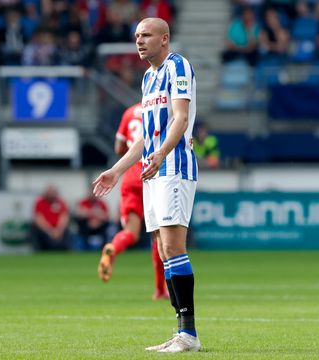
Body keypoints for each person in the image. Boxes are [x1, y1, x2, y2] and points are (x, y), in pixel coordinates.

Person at [93, 17, 201, 352]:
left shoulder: (177, 66)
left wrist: (162, 154)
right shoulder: (148, 78)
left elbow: (181, 119)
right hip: (152, 170)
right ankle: (182, 333)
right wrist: (116, 169)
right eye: (137, 35)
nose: (139, 41)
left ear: (164, 38)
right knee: (164, 249)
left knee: (173, 246)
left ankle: (188, 334)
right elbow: (144, 140)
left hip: (174, 167)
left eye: (146, 35)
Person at [97, 102, 169, 301]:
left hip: (130, 175)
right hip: (151, 172)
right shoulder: (159, 108)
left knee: (130, 231)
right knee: (159, 235)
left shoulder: (129, 112)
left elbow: (119, 146)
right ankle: (160, 289)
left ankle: (113, 247)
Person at [31, 185, 71, 251]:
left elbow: (64, 217)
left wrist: (59, 230)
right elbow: (39, 219)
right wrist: (50, 231)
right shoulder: (40, 202)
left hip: (59, 230)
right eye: (49, 192)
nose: (51, 194)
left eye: (53, 192)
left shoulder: (61, 202)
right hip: (45, 230)